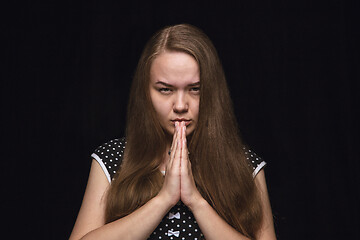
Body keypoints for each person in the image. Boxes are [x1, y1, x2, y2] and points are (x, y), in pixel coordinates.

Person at [69, 24, 276, 240]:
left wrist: (195, 201)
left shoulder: (245, 165)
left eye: (195, 89)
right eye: (165, 89)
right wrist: (164, 198)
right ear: (146, 93)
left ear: (213, 93)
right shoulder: (112, 159)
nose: (180, 105)